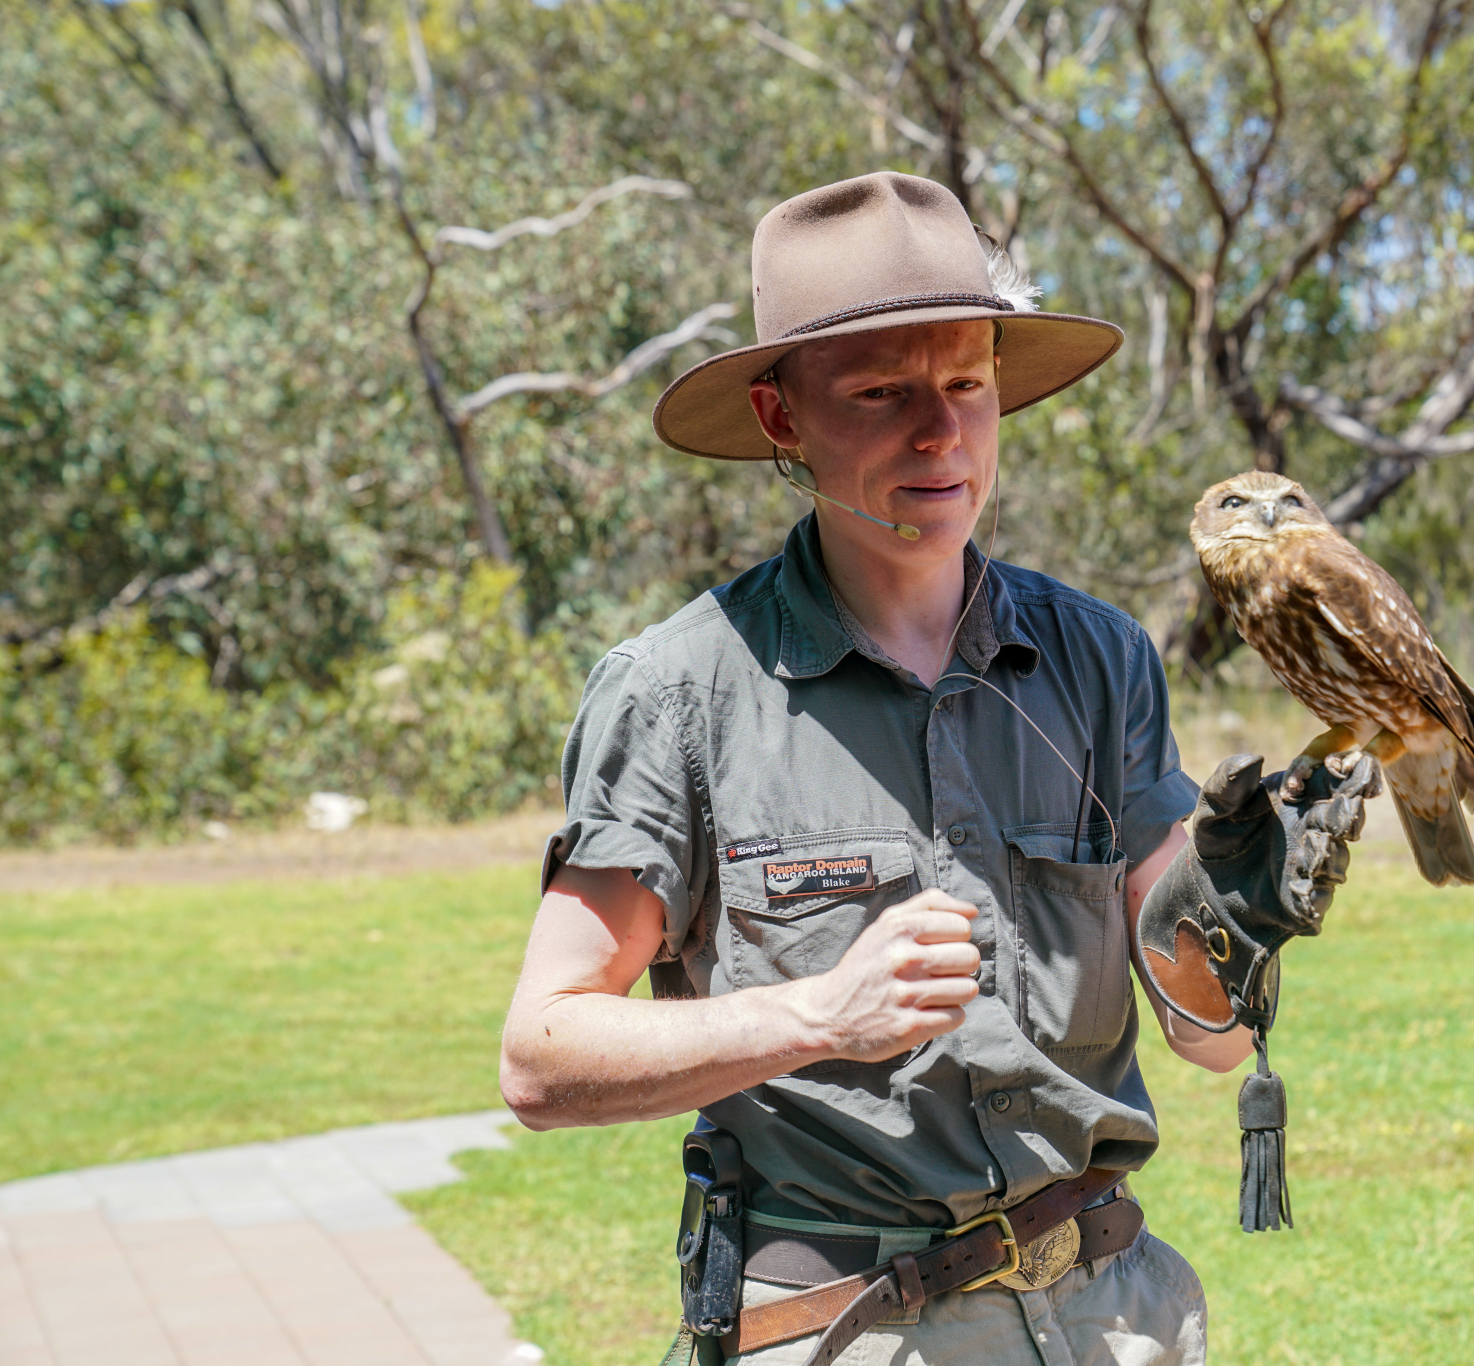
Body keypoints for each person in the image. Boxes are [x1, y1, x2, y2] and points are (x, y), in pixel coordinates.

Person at [499, 172, 1364, 1366]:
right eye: (878, 391)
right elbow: (540, 1057)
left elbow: (1207, 1043)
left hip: (1116, 1315)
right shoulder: (679, 692)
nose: (938, 432)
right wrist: (816, 1013)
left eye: (965, 383)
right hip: (854, 1329)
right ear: (776, 416)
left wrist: (1236, 920)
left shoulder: (1097, 658)